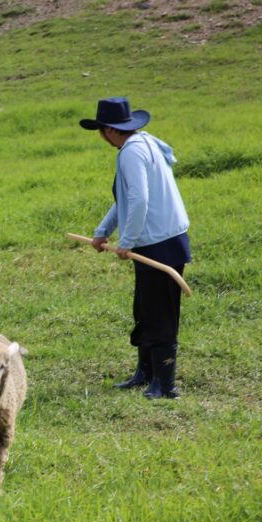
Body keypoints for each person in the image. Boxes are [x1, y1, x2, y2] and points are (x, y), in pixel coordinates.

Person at [81, 97, 191, 399]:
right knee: (144, 308)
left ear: (109, 131)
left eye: (101, 131)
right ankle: (146, 373)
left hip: (160, 244)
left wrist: (126, 242)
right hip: (159, 240)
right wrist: (103, 232)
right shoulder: (143, 143)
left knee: (160, 313)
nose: (101, 137)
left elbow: (139, 200)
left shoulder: (132, 152)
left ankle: (165, 384)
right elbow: (126, 200)